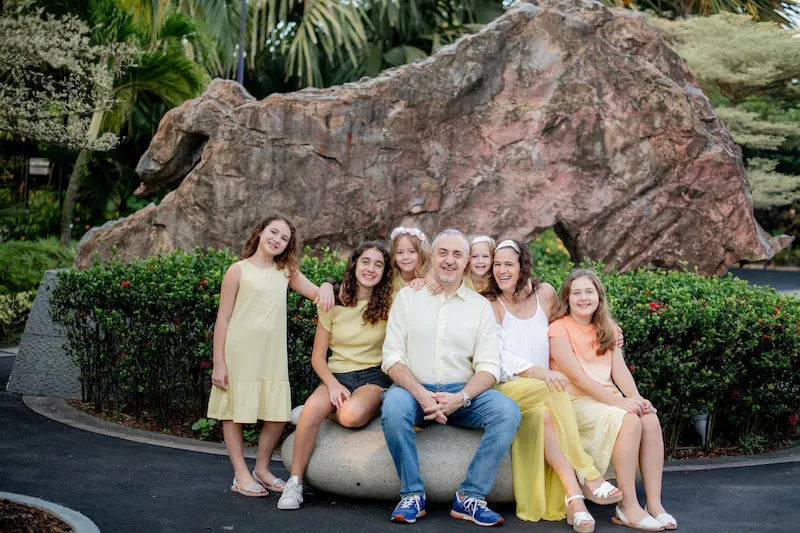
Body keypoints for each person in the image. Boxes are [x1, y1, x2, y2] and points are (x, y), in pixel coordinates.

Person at [380, 229, 521, 527]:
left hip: (463, 394)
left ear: (467, 261)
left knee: (507, 412)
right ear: (432, 256)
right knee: (393, 408)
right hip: (413, 391)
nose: (449, 260)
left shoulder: (479, 307)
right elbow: (392, 358)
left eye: (457, 254)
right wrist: (420, 394)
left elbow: (489, 367)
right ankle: (412, 495)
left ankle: (470, 496)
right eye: (443, 253)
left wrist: (461, 398)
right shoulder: (408, 298)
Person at [487, 240, 621, 532]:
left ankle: (575, 503)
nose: (501, 270)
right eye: (497, 264)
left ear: (523, 266)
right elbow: (496, 357)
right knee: (554, 391)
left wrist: (608, 330)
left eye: (508, 263)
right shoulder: (491, 303)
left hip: (545, 392)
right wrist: (537, 372)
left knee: (546, 419)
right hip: (511, 387)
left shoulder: (545, 293)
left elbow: (571, 322)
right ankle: (589, 475)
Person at [207, 215, 335, 498]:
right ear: (260, 232)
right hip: (239, 353)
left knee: (277, 417)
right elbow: (223, 319)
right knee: (234, 414)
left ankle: (262, 469)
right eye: (273, 232)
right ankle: (240, 474)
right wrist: (219, 362)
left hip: (272, 356)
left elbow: (317, 294)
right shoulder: (237, 271)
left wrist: (327, 285)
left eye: (284, 237)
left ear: (288, 245)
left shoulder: (285, 272)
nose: (277, 239)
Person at [549, 269, 676, 532]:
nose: (583, 298)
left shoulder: (609, 329)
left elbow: (619, 371)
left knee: (649, 419)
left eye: (589, 291)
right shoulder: (558, 329)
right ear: (567, 299)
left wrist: (638, 399)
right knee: (629, 419)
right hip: (575, 403)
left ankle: (654, 505)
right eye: (577, 293)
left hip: (607, 400)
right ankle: (628, 506)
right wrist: (620, 404)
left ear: (599, 296)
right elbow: (578, 378)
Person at [278, 242, 395, 510]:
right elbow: (318, 357)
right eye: (366, 261)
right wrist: (331, 386)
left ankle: (371, 404)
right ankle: (294, 483)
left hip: (373, 378)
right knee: (309, 412)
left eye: (379, 264)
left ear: (385, 272)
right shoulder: (332, 303)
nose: (371, 268)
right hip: (338, 375)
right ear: (355, 264)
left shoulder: (390, 305)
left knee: (350, 416)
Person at [389, 226, 432, 294]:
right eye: (400, 252)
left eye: (412, 252)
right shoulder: (390, 280)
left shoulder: (430, 276)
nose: (405, 257)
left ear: (421, 253)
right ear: (394, 255)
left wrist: (425, 280)